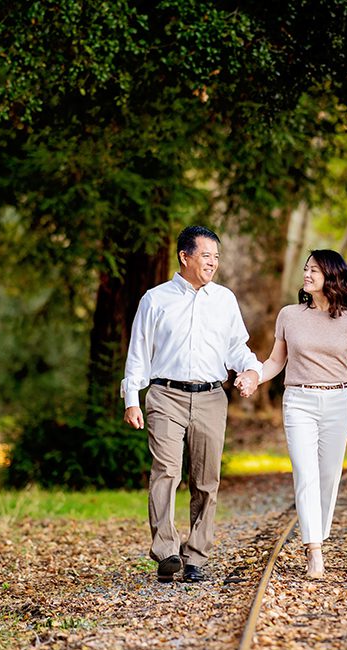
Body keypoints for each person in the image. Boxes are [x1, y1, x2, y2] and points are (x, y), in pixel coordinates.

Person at [122, 225, 262, 583]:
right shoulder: (155, 300)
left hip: (212, 397)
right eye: (205, 256)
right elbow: (138, 353)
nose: (212, 263)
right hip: (165, 394)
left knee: (206, 479)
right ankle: (167, 551)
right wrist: (131, 399)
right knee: (166, 471)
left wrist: (251, 370)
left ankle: (196, 554)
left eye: (216, 257)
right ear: (184, 257)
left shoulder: (225, 300)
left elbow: (236, 347)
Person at [257, 250, 347, 578]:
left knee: (328, 477)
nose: (307, 274)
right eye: (306, 268)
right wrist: (254, 376)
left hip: (338, 402)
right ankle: (314, 550)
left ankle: (317, 535)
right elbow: (275, 361)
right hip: (298, 401)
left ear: (332, 276)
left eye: (314, 270)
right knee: (305, 473)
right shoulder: (289, 315)